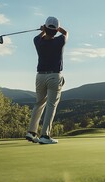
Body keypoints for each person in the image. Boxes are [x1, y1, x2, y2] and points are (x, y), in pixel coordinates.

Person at [25, 16, 68, 144]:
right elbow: (66, 33)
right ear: (56, 30)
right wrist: (57, 28)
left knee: (39, 103)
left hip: (40, 76)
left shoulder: (37, 41)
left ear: (45, 27)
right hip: (54, 76)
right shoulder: (60, 41)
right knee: (51, 105)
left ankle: (31, 133)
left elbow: (40, 36)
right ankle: (45, 136)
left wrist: (43, 30)